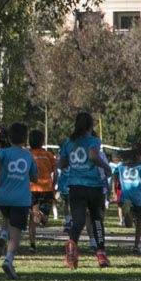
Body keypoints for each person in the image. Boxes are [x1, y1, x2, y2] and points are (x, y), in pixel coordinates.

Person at [58, 111, 111, 268]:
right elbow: (94, 156)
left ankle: (71, 247)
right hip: (93, 186)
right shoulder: (93, 140)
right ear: (90, 126)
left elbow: (61, 164)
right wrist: (106, 167)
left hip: (75, 186)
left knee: (79, 220)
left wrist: (73, 165)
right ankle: (101, 254)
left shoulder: (68, 142)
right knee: (96, 219)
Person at [0, 121, 36, 279]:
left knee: (6, 218)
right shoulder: (28, 155)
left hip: (3, 196)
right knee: (16, 231)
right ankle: (8, 259)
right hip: (20, 198)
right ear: (25, 138)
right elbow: (35, 176)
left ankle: (2, 235)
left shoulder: (4, 152)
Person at [113, 151, 141, 254]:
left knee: (129, 224)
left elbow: (115, 176)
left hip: (127, 195)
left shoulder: (120, 167)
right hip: (140, 196)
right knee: (140, 221)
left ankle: (129, 213)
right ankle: (136, 244)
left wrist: (114, 189)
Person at [26, 129, 57, 251]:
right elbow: (55, 172)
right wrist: (54, 185)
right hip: (46, 188)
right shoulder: (48, 155)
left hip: (31, 188)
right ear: (42, 141)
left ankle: (32, 245)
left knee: (32, 219)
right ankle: (41, 216)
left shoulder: (27, 155)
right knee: (44, 219)